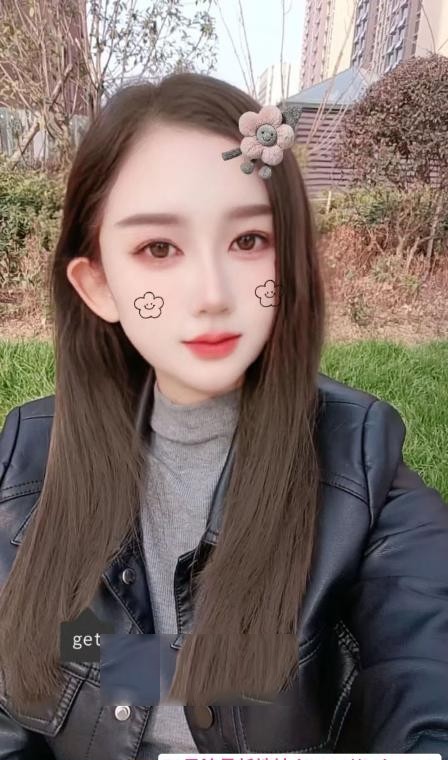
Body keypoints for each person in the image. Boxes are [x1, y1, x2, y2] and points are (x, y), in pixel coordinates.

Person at [0, 72, 447, 760]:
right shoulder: (26, 467)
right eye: (158, 249)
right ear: (99, 284)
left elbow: (424, 669)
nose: (212, 294)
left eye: (248, 241)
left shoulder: (363, 470)